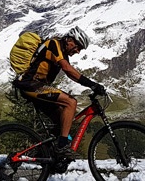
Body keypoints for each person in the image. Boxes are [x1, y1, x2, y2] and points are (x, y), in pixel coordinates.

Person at [12, 26, 105, 160]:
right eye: (78, 47)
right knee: (70, 102)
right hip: (30, 84)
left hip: (37, 86)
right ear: (70, 40)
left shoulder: (63, 53)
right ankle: (61, 147)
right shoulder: (54, 44)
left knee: (61, 120)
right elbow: (67, 69)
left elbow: (70, 75)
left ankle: (45, 155)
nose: (78, 51)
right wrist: (92, 84)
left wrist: (91, 85)